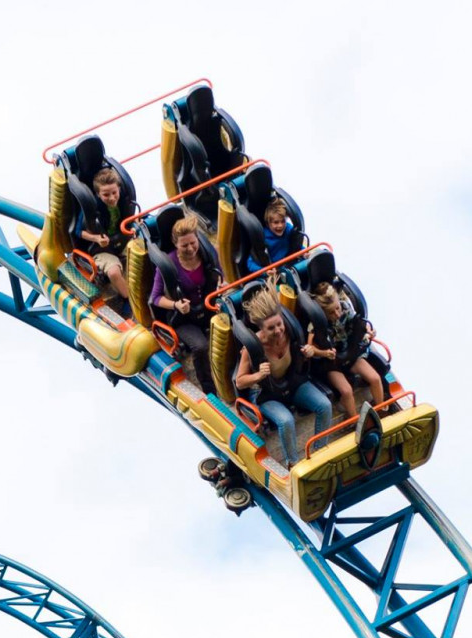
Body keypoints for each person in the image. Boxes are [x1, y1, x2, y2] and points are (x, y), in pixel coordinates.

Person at [235, 287, 333, 463]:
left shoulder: (290, 332)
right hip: (267, 395)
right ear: (262, 329)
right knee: (286, 421)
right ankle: (292, 464)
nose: (278, 330)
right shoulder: (252, 348)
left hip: (292, 383)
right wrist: (257, 375)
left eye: (279, 324)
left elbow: (309, 345)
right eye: (271, 328)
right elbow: (240, 382)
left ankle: (319, 454)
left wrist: (311, 351)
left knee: (324, 405)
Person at [148, 215, 220, 393]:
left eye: (193, 243)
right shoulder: (168, 265)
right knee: (201, 347)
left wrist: (222, 285)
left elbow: (219, 275)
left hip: (208, 308)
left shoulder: (207, 254)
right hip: (184, 318)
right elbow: (155, 298)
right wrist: (176, 305)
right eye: (184, 245)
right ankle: (209, 390)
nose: (190, 248)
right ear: (176, 244)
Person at [307, 281, 386, 420]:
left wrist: (368, 331)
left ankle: (382, 412)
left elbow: (359, 323)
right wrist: (324, 353)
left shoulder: (345, 308)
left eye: (337, 308)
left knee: (374, 378)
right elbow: (310, 347)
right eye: (331, 312)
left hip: (349, 353)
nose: (337, 314)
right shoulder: (316, 323)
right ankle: (355, 422)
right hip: (331, 362)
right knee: (347, 391)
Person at [77, 168, 134, 316]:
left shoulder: (124, 201)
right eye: (106, 195)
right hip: (101, 248)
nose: (112, 198)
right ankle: (129, 300)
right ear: (98, 194)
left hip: (122, 240)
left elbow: (132, 219)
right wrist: (96, 238)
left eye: (114, 193)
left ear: (119, 189)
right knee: (114, 272)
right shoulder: (91, 208)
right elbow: (77, 231)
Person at [245, 197, 298, 274]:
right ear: (268, 223)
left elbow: (297, 245)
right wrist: (265, 272)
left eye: (283, 221)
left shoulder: (289, 229)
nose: (280, 225)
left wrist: (305, 253)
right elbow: (250, 263)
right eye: (276, 222)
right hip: (273, 273)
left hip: (289, 266)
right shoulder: (262, 238)